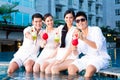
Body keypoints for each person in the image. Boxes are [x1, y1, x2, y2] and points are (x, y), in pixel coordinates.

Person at [67, 11, 111, 78]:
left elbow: (97, 47)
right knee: (71, 68)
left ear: (87, 21)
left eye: (82, 20)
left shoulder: (96, 30)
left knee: (89, 69)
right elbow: (76, 53)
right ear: (76, 24)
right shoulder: (78, 35)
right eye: (78, 21)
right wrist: (74, 40)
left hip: (101, 57)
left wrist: (84, 39)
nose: (80, 22)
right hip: (88, 58)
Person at [41, 9, 79, 74]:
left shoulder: (76, 30)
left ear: (74, 18)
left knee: (54, 69)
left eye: (71, 17)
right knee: (47, 70)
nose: (68, 19)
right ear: (64, 18)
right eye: (66, 17)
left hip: (70, 57)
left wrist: (63, 59)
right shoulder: (60, 28)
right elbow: (52, 32)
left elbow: (71, 47)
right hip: (60, 55)